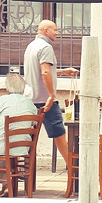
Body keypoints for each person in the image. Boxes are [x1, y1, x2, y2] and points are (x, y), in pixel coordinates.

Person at [23, 20, 79, 179]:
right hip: (45, 101)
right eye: (55, 30)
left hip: (29, 100)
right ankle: (75, 173)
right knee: (60, 136)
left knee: (28, 138)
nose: (57, 33)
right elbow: (45, 72)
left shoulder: (31, 46)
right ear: (46, 31)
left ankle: (25, 173)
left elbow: (43, 69)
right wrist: (52, 96)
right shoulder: (46, 47)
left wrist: (62, 72)